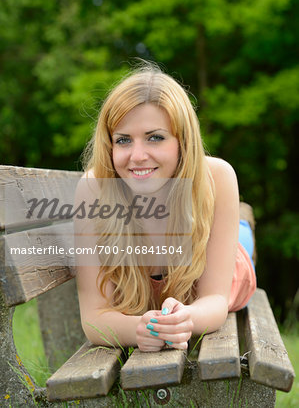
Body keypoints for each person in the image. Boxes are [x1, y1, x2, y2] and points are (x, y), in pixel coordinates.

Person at [74, 62, 257, 352]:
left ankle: (242, 224)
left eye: (155, 137)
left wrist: (188, 318)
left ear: (182, 141)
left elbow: (216, 300)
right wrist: (139, 329)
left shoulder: (218, 176)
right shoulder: (93, 190)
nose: (137, 156)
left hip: (224, 267)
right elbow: (94, 318)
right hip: (162, 289)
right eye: (123, 140)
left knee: (241, 241)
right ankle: (239, 221)